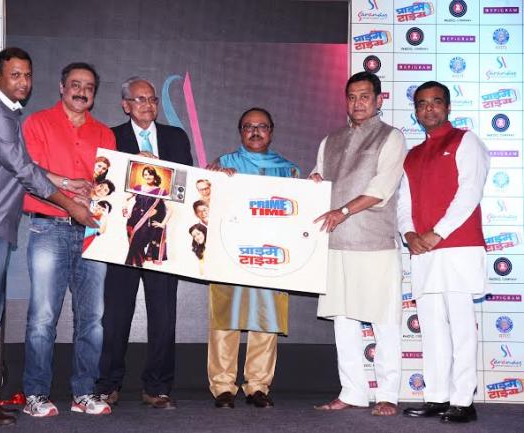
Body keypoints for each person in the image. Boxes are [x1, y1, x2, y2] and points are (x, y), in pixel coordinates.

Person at [0, 48, 97, 426]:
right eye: (15, 75)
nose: (23, 82)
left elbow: (25, 166)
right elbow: (24, 172)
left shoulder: (4, 113)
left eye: (27, 75)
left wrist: (65, 181)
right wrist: (72, 206)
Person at [20, 62, 117, 418]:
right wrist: (68, 186)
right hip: (49, 228)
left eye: (89, 86)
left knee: (92, 319)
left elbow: (108, 186)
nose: (81, 91)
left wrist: (100, 192)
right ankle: (35, 395)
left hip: (92, 232)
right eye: (75, 84)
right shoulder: (37, 123)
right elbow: (30, 173)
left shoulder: (105, 134)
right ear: (62, 87)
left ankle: (84, 393)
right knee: (43, 316)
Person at [312, 72, 406, 416]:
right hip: (336, 243)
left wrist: (343, 211)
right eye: (352, 97)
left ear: (379, 100)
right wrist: (314, 181)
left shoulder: (391, 137)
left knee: (385, 321)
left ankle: (388, 394)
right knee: (343, 322)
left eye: (365, 96)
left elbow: (382, 188)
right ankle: (352, 391)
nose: (358, 103)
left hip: (374, 244)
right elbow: (319, 179)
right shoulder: (330, 140)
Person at [96, 77, 192, 409]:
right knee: (115, 315)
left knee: (163, 316)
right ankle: (108, 384)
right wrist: (135, 165)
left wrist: (159, 170)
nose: (148, 105)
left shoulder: (175, 137)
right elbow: (103, 184)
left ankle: (157, 387)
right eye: (139, 99)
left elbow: (187, 185)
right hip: (121, 238)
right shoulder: (110, 137)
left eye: (152, 99)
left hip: (164, 236)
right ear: (125, 105)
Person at [400, 81, 489, 423]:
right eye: (422, 103)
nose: (429, 108)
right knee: (432, 326)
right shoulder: (412, 155)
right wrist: (409, 233)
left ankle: (463, 401)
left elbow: (469, 192)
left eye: (436, 102)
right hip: (423, 251)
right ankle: (437, 397)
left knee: (461, 326)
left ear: (448, 107)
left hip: (458, 247)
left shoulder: (466, 141)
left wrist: (437, 232)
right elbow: (403, 202)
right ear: (416, 111)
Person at [207, 107, 299, 409]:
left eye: (262, 126)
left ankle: (258, 385)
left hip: (271, 256)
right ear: (240, 131)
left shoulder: (289, 171)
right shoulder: (223, 165)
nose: (255, 131)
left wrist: (312, 188)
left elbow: (300, 212)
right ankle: (223, 386)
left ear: (271, 132)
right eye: (249, 126)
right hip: (230, 255)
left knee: (266, 320)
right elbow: (203, 205)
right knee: (226, 319)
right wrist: (210, 181)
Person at [123, 166, 171, 266]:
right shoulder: (138, 188)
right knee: (134, 247)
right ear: (143, 176)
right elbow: (125, 198)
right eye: (145, 174)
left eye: (150, 174)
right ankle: (138, 266)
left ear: (154, 176)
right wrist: (125, 210)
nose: (148, 176)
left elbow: (170, 209)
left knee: (137, 246)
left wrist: (162, 224)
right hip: (133, 221)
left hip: (147, 224)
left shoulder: (161, 191)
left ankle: (131, 265)